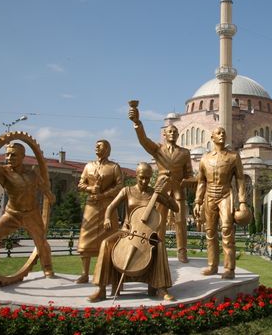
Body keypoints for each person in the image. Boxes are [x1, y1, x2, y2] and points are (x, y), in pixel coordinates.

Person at [88, 163, 178, 302]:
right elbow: (111, 207)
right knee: (105, 243)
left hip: (146, 235)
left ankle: (161, 288)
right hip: (127, 231)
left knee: (159, 246)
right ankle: (101, 289)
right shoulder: (127, 190)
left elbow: (175, 208)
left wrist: (164, 194)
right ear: (136, 175)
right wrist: (107, 218)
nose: (144, 181)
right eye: (142, 177)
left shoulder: (154, 193)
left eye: (148, 178)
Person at [0, 143, 55, 290]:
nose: (9, 157)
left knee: (41, 241)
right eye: (8, 154)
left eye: (14, 154)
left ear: (23, 157)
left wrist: (49, 195)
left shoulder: (32, 173)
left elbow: (42, 186)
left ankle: (47, 267)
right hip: (12, 214)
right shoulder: (1, 171)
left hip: (32, 214)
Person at [129, 101, 195, 263]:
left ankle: (182, 252)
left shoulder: (185, 153)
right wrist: (137, 123)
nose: (172, 133)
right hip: (160, 191)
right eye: (169, 131)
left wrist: (193, 180)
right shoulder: (158, 149)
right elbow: (143, 140)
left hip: (178, 192)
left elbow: (189, 174)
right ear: (164, 135)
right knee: (158, 222)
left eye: (175, 131)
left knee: (180, 223)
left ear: (178, 135)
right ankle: (157, 248)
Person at [193, 127, 247, 280]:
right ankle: (212, 265)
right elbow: (201, 181)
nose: (222, 134)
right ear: (212, 137)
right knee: (210, 233)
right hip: (209, 196)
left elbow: (240, 179)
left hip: (225, 195)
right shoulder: (205, 158)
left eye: (224, 132)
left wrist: (242, 201)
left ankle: (229, 268)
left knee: (227, 231)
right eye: (218, 133)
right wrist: (197, 201)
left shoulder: (233, 157)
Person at [75, 140, 124, 284]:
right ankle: (84, 273)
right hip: (91, 206)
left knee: (109, 237)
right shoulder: (88, 166)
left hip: (108, 207)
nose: (96, 147)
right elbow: (80, 184)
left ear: (107, 149)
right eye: (95, 145)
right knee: (86, 236)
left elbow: (120, 185)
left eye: (100, 145)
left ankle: (108, 272)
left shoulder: (114, 167)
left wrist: (104, 194)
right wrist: (90, 189)